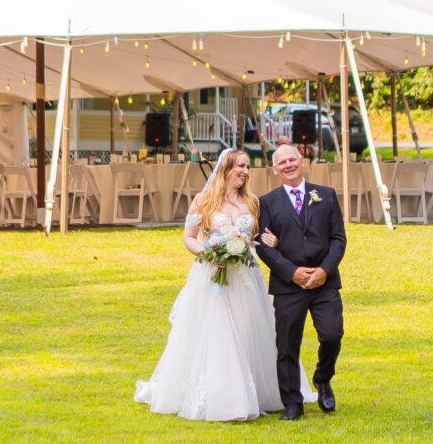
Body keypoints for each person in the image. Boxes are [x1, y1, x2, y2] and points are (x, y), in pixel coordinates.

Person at [135, 149, 315, 422]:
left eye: (247, 167)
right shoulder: (203, 200)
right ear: (226, 168)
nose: (244, 171)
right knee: (216, 332)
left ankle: (253, 390)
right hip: (212, 275)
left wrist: (270, 243)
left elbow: (260, 237)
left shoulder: (253, 202)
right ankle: (225, 396)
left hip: (245, 275)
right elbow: (189, 237)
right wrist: (209, 254)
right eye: (240, 166)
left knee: (246, 329)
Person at [256, 144, 346, 421]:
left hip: (324, 283)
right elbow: (262, 244)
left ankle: (323, 379)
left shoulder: (327, 196)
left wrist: (324, 271)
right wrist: (291, 271)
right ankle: (292, 402)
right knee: (287, 345)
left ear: (302, 161)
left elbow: (338, 239)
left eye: (292, 159)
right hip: (288, 285)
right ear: (274, 170)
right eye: (281, 162)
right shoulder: (266, 203)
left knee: (332, 335)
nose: (288, 165)